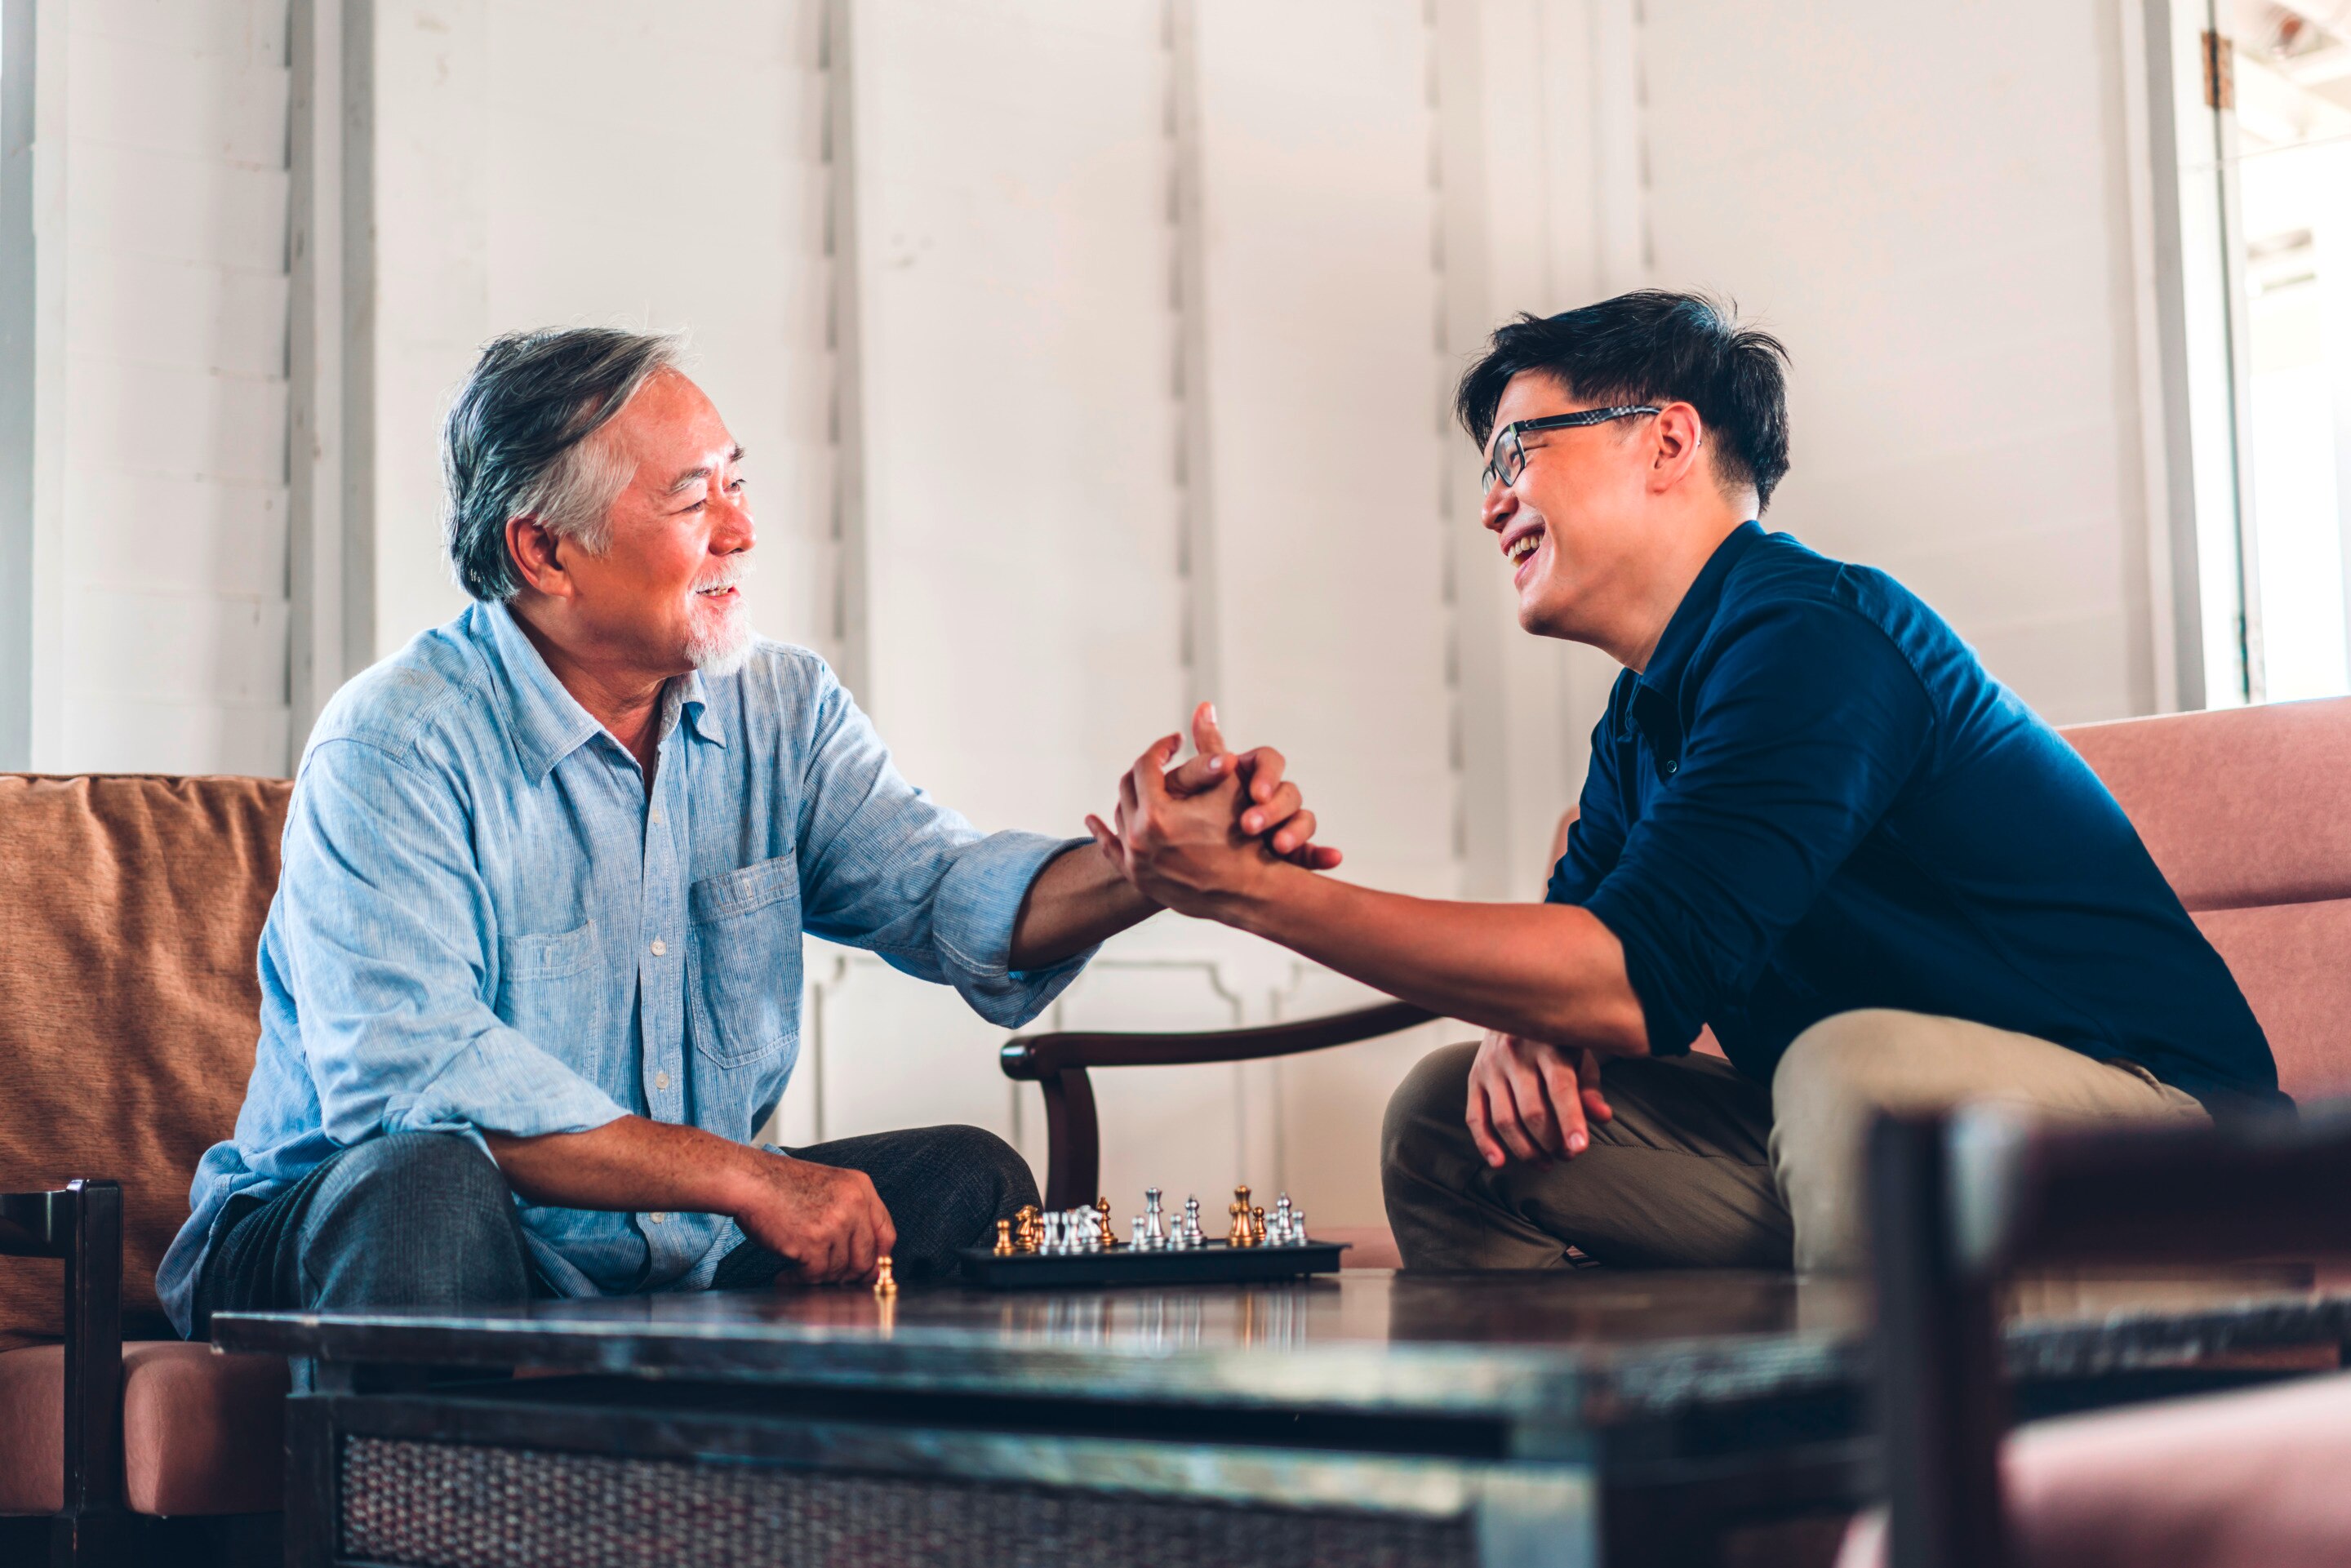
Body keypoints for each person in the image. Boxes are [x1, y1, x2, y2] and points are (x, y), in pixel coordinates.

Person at [159, 327, 1337, 1335]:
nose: (741, 531)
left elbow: (938, 892)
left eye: (737, 482)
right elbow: (414, 1082)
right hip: (336, 1231)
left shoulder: (781, 706)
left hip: (659, 1241)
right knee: (426, 1186)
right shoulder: (395, 742)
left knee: (964, 1180)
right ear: (544, 550)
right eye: (692, 498)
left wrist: (1149, 867)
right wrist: (746, 1176)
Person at [1087, 290, 2285, 1274]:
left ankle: (1873, 1515)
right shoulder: (1639, 717)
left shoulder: (1820, 636)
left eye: (1517, 449)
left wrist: (1255, 897)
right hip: (1878, 1161)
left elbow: (1631, 980)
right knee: (1458, 1118)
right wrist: (1529, 1023)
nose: (1494, 499)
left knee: (1849, 1069)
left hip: (2174, 1163)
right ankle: (1596, 1497)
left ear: (1667, 439)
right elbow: (1573, 955)